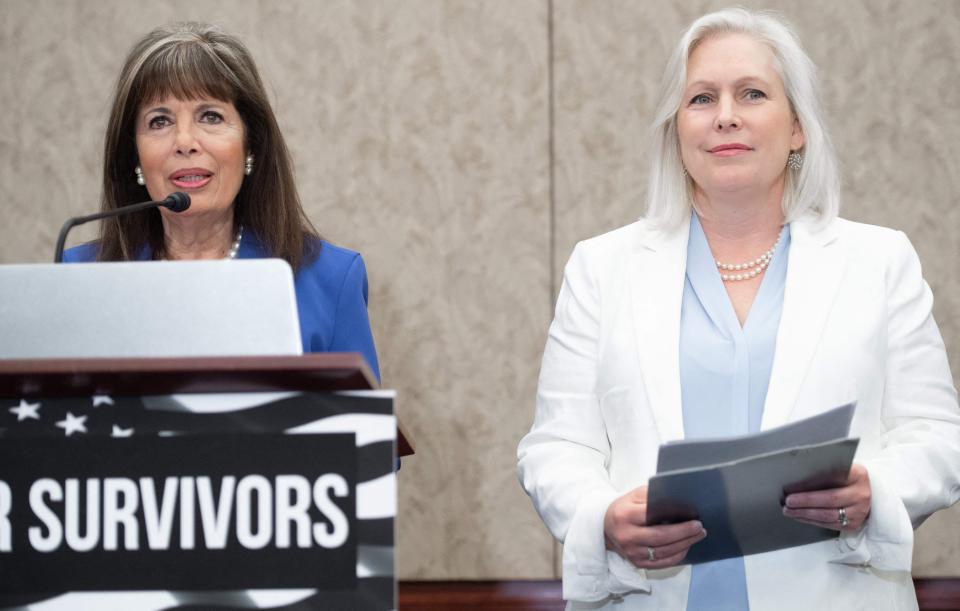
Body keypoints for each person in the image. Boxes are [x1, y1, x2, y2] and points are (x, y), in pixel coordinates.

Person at [517, 8, 960, 610]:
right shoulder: (601, 267)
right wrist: (602, 518)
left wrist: (875, 492)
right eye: (702, 98)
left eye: (752, 93)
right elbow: (555, 448)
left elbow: (938, 436)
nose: (726, 115)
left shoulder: (878, 261)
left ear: (798, 126)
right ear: (676, 129)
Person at [63, 22, 379, 380]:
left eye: (210, 117)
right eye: (160, 121)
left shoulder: (330, 280)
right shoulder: (78, 279)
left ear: (250, 146)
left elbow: (361, 432)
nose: (185, 141)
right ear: (134, 156)